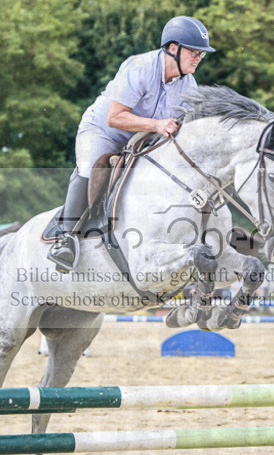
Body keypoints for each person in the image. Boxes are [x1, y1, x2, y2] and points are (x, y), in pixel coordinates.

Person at [47, 15, 216, 271]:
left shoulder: (188, 84)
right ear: (173, 48)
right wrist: (158, 125)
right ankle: (65, 239)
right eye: (194, 52)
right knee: (90, 167)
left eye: (201, 54)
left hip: (141, 140)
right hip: (104, 130)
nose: (198, 58)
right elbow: (115, 118)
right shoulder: (140, 67)